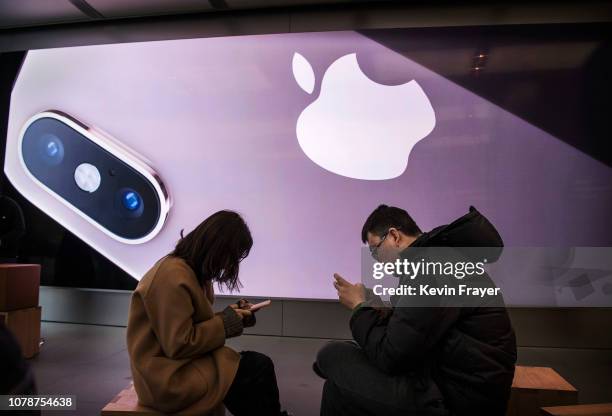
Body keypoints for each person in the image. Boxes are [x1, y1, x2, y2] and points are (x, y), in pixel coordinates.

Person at [315, 205, 517, 416]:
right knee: (337, 384)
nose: (377, 260)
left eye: (375, 250)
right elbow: (414, 331)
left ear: (394, 236)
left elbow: (391, 356)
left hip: (457, 400)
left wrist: (359, 308)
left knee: (332, 355)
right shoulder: (437, 260)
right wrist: (372, 302)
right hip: (455, 386)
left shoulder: (430, 268)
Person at [126, 210, 288, 416]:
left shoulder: (187, 272)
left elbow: (190, 328)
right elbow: (180, 343)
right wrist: (227, 322)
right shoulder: (172, 277)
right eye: (232, 257)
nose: (231, 265)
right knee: (257, 369)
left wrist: (233, 317)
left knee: (253, 370)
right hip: (168, 380)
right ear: (218, 249)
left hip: (178, 367)